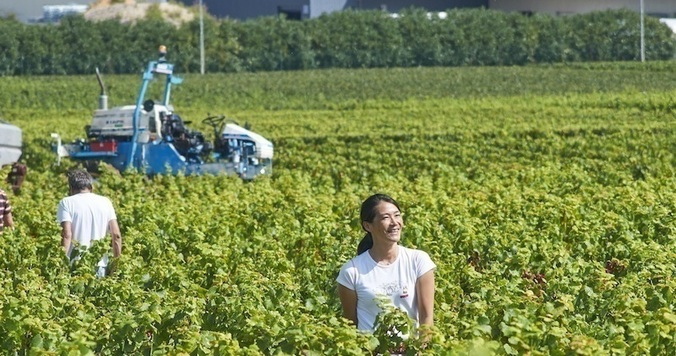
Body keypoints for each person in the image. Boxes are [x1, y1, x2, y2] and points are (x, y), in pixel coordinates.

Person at [336, 194, 436, 334]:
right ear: (367, 226)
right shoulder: (351, 271)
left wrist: (420, 350)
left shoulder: (418, 261)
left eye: (397, 215)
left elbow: (427, 318)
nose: (394, 222)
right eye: (385, 217)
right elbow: (350, 325)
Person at [57, 169, 122, 277]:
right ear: (91, 187)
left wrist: (60, 264)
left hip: (75, 264)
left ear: (71, 188)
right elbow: (116, 235)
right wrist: (116, 265)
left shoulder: (66, 202)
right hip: (100, 264)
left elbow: (67, 235)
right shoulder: (105, 202)